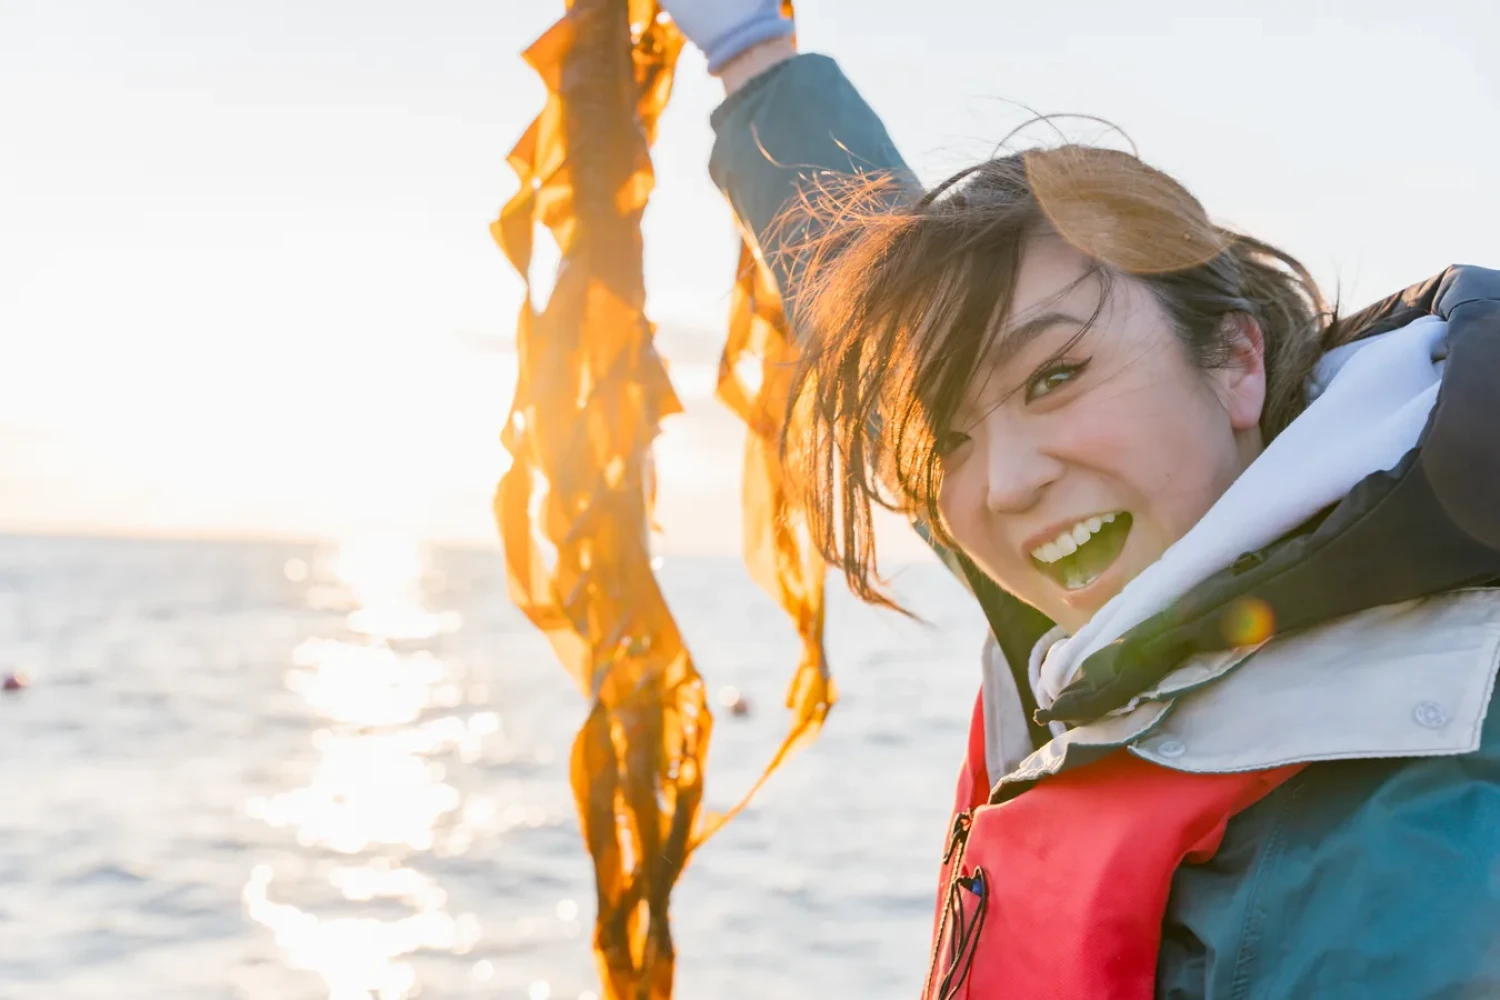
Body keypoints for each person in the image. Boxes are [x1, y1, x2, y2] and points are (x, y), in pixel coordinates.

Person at [657, 2, 1500, 997]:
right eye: (955, 436)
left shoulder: (1415, 853)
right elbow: (896, 357)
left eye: (1053, 378)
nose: (1004, 485)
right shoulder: (1138, 558)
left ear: (1236, 355)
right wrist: (756, 63)